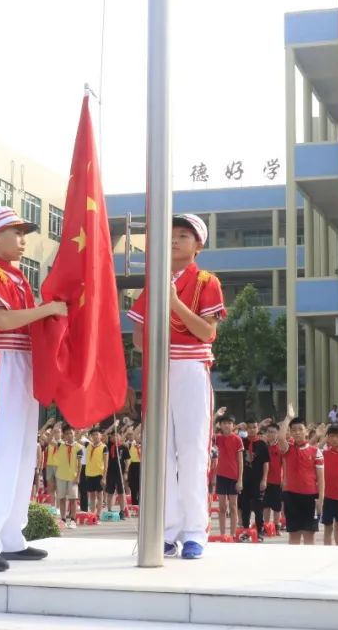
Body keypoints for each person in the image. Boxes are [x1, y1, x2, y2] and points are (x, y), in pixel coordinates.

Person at [0, 207, 66, 572]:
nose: (23, 240)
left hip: (21, 365)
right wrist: (48, 309)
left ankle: (9, 537)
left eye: (24, 233)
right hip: (1, 363)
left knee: (23, 456)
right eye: (15, 233)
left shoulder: (17, 277)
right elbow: (3, 320)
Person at [128, 214, 226, 560]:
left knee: (193, 451)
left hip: (191, 368)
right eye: (170, 234)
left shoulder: (206, 281)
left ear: (198, 245)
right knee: (160, 452)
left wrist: (174, 303)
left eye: (184, 235)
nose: (174, 240)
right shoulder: (155, 280)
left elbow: (207, 332)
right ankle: (166, 531)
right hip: (158, 368)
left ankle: (195, 532)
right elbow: (138, 338)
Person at [277, 411, 323, 546]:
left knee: (309, 536)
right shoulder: (288, 449)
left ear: (306, 431)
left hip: (310, 497)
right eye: (293, 430)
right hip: (291, 496)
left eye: (300, 429)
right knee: (294, 535)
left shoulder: (316, 452)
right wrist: (288, 418)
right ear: (290, 432)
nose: (297, 432)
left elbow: (321, 479)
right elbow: (280, 438)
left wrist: (321, 499)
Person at [212, 414, 243, 538]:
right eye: (224, 423)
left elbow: (240, 461)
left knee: (233, 507)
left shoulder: (237, 439)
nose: (227, 425)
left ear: (233, 425)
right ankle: (223, 534)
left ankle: (233, 534)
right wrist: (216, 416)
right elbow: (208, 432)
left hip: (234, 477)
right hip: (221, 476)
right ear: (220, 425)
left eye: (229, 423)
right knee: (222, 507)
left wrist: (240, 480)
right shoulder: (217, 438)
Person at [51, 425, 81, 528]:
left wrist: (78, 476)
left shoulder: (78, 447)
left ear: (74, 434)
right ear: (64, 435)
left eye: (71, 433)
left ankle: (73, 520)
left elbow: (80, 464)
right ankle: (63, 520)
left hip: (73, 477)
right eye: (67, 433)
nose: (69, 435)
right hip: (61, 476)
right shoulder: (60, 445)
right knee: (62, 498)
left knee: (73, 499)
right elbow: (49, 441)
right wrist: (54, 430)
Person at [261, 424, 283, 531]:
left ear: (277, 434)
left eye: (273, 432)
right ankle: (266, 526)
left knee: (277, 506)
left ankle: (276, 526)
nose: (271, 434)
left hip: (277, 481)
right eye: (269, 431)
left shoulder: (281, 447)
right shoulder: (263, 446)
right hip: (265, 481)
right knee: (266, 505)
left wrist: (284, 479)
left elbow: (285, 464)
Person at [83, 428, 107, 517]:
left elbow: (106, 464)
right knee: (91, 495)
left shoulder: (104, 447)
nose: (95, 436)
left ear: (100, 436)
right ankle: (92, 514)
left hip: (99, 474)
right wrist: (84, 431)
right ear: (91, 436)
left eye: (97, 434)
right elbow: (77, 439)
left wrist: (104, 477)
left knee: (99, 495)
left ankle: (98, 514)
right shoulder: (88, 445)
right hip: (89, 474)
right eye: (93, 435)